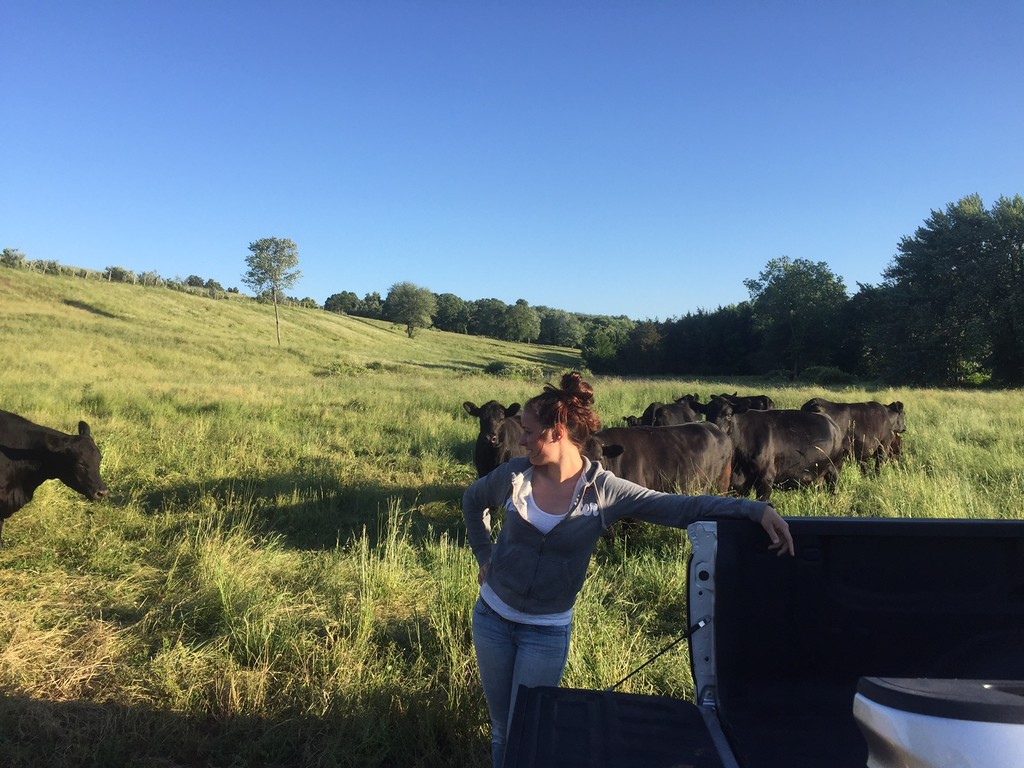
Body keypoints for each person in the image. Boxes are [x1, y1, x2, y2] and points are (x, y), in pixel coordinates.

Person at [463, 372, 794, 768]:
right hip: (492, 619)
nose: (521, 441)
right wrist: (485, 555)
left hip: (545, 632)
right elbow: (472, 501)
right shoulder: (515, 475)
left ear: (557, 433)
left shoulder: (604, 491)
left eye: (530, 433)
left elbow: (679, 508)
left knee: (529, 729)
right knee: (503, 729)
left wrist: (753, 508)